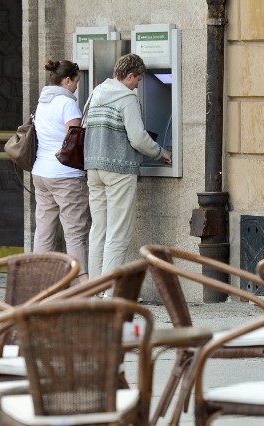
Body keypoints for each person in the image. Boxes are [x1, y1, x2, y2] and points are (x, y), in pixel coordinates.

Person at [84, 53, 172, 290]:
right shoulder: (126, 98)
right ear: (130, 75)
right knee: (118, 233)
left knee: (98, 231)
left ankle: (94, 290)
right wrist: (160, 152)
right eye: (138, 80)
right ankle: (110, 294)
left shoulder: (96, 93)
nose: (138, 85)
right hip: (119, 169)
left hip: (93, 168)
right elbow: (138, 138)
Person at [31, 60, 90, 281]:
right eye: (76, 82)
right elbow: (74, 140)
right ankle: (83, 282)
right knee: (75, 231)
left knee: (44, 230)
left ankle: (37, 281)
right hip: (65, 175)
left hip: (41, 173)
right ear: (67, 80)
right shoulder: (67, 104)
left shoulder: (42, 102)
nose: (76, 87)